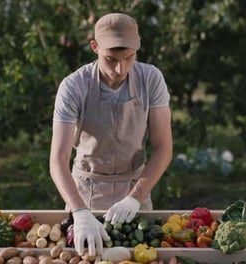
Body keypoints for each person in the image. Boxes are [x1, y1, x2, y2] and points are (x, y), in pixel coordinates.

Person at [49, 13, 172, 256]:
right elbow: (58, 159)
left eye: (129, 58)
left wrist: (135, 198)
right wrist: (80, 212)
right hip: (86, 192)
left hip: (135, 188)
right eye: (111, 59)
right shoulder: (73, 86)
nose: (120, 69)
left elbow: (163, 148)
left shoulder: (151, 79)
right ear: (95, 47)